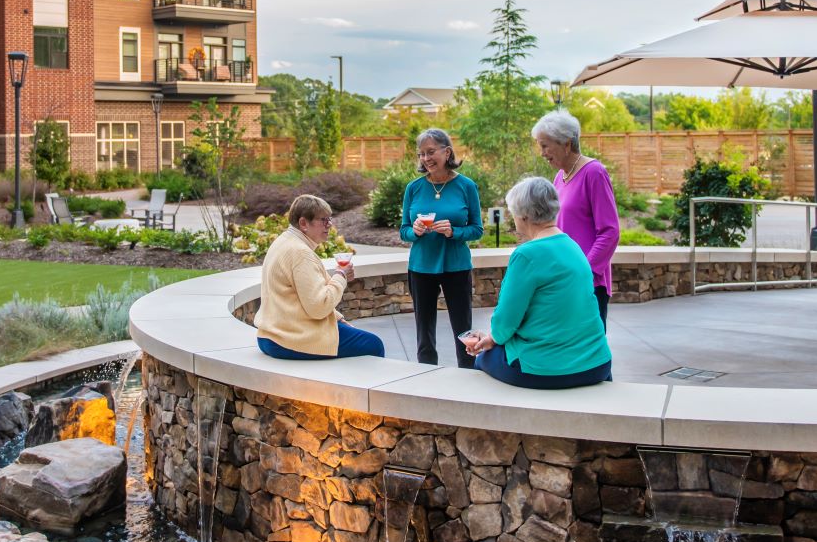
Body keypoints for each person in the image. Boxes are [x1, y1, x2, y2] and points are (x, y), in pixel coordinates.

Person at [461, 177, 612, 390]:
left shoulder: (526, 255)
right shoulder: (574, 247)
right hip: (596, 364)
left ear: (522, 215)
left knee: (483, 359)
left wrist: (492, 339)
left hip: (547, 368)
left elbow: (505, 322)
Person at [256, 194, 385, 360]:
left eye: (330, 219)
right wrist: (341, 275)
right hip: (290, 339)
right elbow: (318, 307)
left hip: (269, 335)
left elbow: (303, 296)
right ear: (303, 223)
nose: (329, 225)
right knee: (373, 345)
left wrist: (338, 319)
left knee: (353, 335)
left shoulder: (284, 241)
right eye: (323, 220)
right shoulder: (301, 253)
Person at [400, 128, 483, 366]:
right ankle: (427, 375)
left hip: (456, 266)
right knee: (423, 330)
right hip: (421, 267)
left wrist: (453, 231)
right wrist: (414, 231)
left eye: (431, 152)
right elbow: (403, 231)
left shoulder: (466, 186)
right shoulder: (413, 188)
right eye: (422, 154)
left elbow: (477, 229)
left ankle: (467, 374)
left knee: (462, 328)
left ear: (447, 152)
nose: (425, 159)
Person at [533, 109, 620, 328]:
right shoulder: (560, 176)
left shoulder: (594, 173)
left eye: (545, 145)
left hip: (587, 282)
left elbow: (610, 231)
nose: (542, 152)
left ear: (566, 143)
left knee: (588, 354)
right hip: (564, 279)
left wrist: (585, 273)